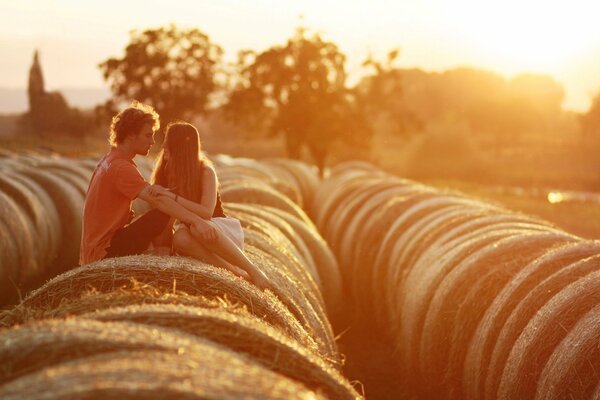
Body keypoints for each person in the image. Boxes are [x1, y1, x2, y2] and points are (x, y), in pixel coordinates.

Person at [79, 101, 216, 266]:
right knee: (162, 212)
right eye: (147, 135)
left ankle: (163, 254)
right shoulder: (122, 168)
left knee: (160, 211)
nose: (152, 142)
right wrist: (197, 222)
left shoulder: (108, 160)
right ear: (130, 135)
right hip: (105, 251)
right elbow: (158, 200)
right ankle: (166, 258)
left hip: (94, 249)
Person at [151, 121, 270, 289]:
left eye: (168, 145)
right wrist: (162, 246)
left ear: (179, 148)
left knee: (196, 226)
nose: (164, 148)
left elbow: (206, 213)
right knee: (180, 238)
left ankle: (254, 270)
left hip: (219, 232)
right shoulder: (165, 172)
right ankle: (236, 274)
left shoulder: (206, 171)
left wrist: (171, 195)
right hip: (194, 234)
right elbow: (166, 215)